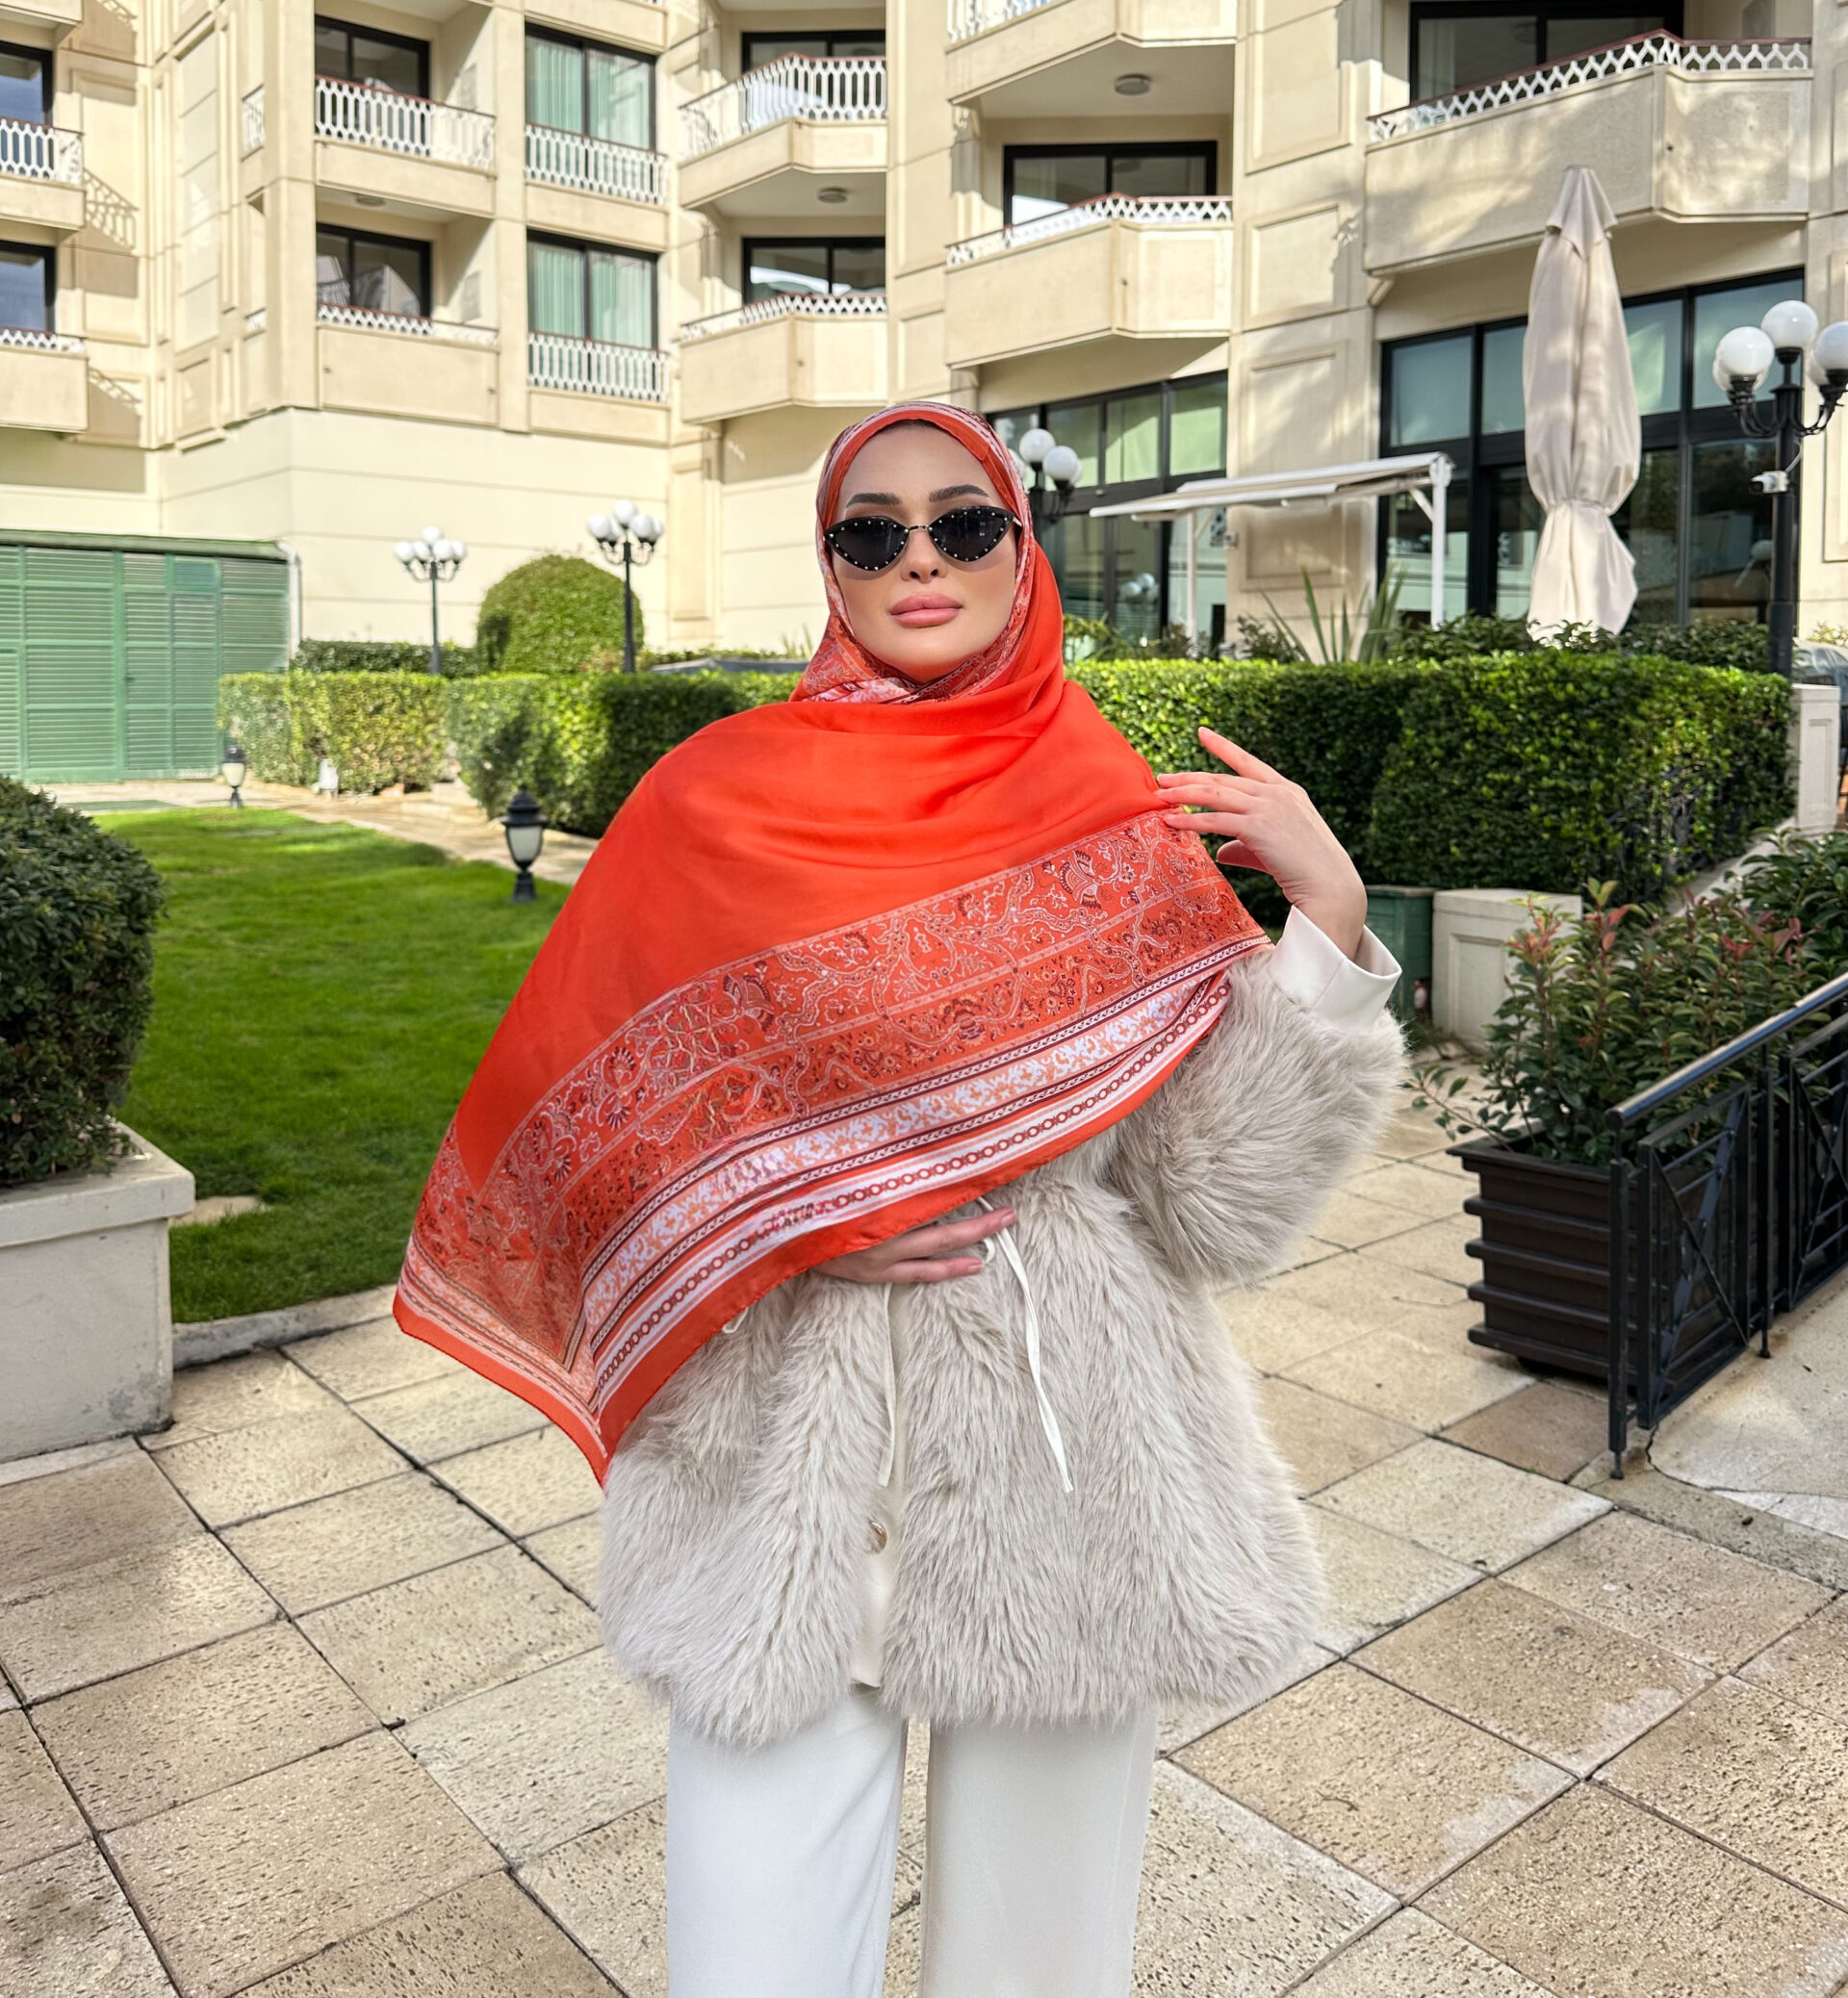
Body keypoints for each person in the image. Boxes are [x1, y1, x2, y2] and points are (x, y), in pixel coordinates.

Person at [396, 400, 1404, 1998]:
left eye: (962, 523)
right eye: (873, 532)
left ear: (1022, 551)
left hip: (1064, 1454)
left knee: (1041, 1962)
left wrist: (1328, 918)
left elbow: (1213, 1206)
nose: (920, 559)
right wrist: (796, 1214)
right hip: (785, 1457)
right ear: (833, 565)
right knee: (755, 1959)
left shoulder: (1105, 808)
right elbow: (595, 1144)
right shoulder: (714, 806)